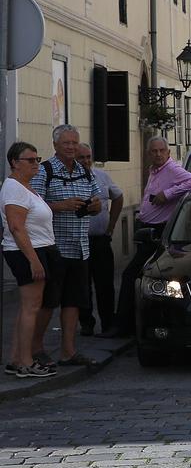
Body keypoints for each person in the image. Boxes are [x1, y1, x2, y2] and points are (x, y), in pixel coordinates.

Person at [111, 138, 191, 336]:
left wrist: (168, 193)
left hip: (158, 232)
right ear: (148, 154)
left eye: (162, 151)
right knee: (142, 279)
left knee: (132, 275)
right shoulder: (154, 170)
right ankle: (132, 324)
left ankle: (122, 326)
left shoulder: (171, 169)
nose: (158, 154)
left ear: (168, 153)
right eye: (154, 151)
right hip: (147, 229)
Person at [29, 125, 99, 366]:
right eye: (66, 143)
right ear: (56, 144)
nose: (71, 147)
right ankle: (35, 349)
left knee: (73, 302)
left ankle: (68, 351)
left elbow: (98, 200)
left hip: (81, 248)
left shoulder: (86, 171)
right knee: (48, 303)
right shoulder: (44, 171)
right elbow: (32, 208)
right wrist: (61, 205)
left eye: (74, 142)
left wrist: (94, 206)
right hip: (54, 248)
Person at [4, 142, 60, 379]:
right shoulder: (14, 188)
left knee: (29, 307)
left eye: (38, 159)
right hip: (28, 251)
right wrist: (34, 260)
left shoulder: (25, 187)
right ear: (15, 163)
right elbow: (16, 227)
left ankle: (16, 358)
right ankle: (26, 362)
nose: (36, 164)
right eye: (30, 160)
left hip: (41, 248)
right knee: (31, 307)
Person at [76, 144, 122, 337]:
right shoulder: (70, 179)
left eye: (88, 157)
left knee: (105, 285)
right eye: (81, 158)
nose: (86, 161)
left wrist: (111, 227)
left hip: (101, 240)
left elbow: (118, 197)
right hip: (78, 242)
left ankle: (108, 323)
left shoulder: (102, 176)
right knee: (81, 285)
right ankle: (86, 323)